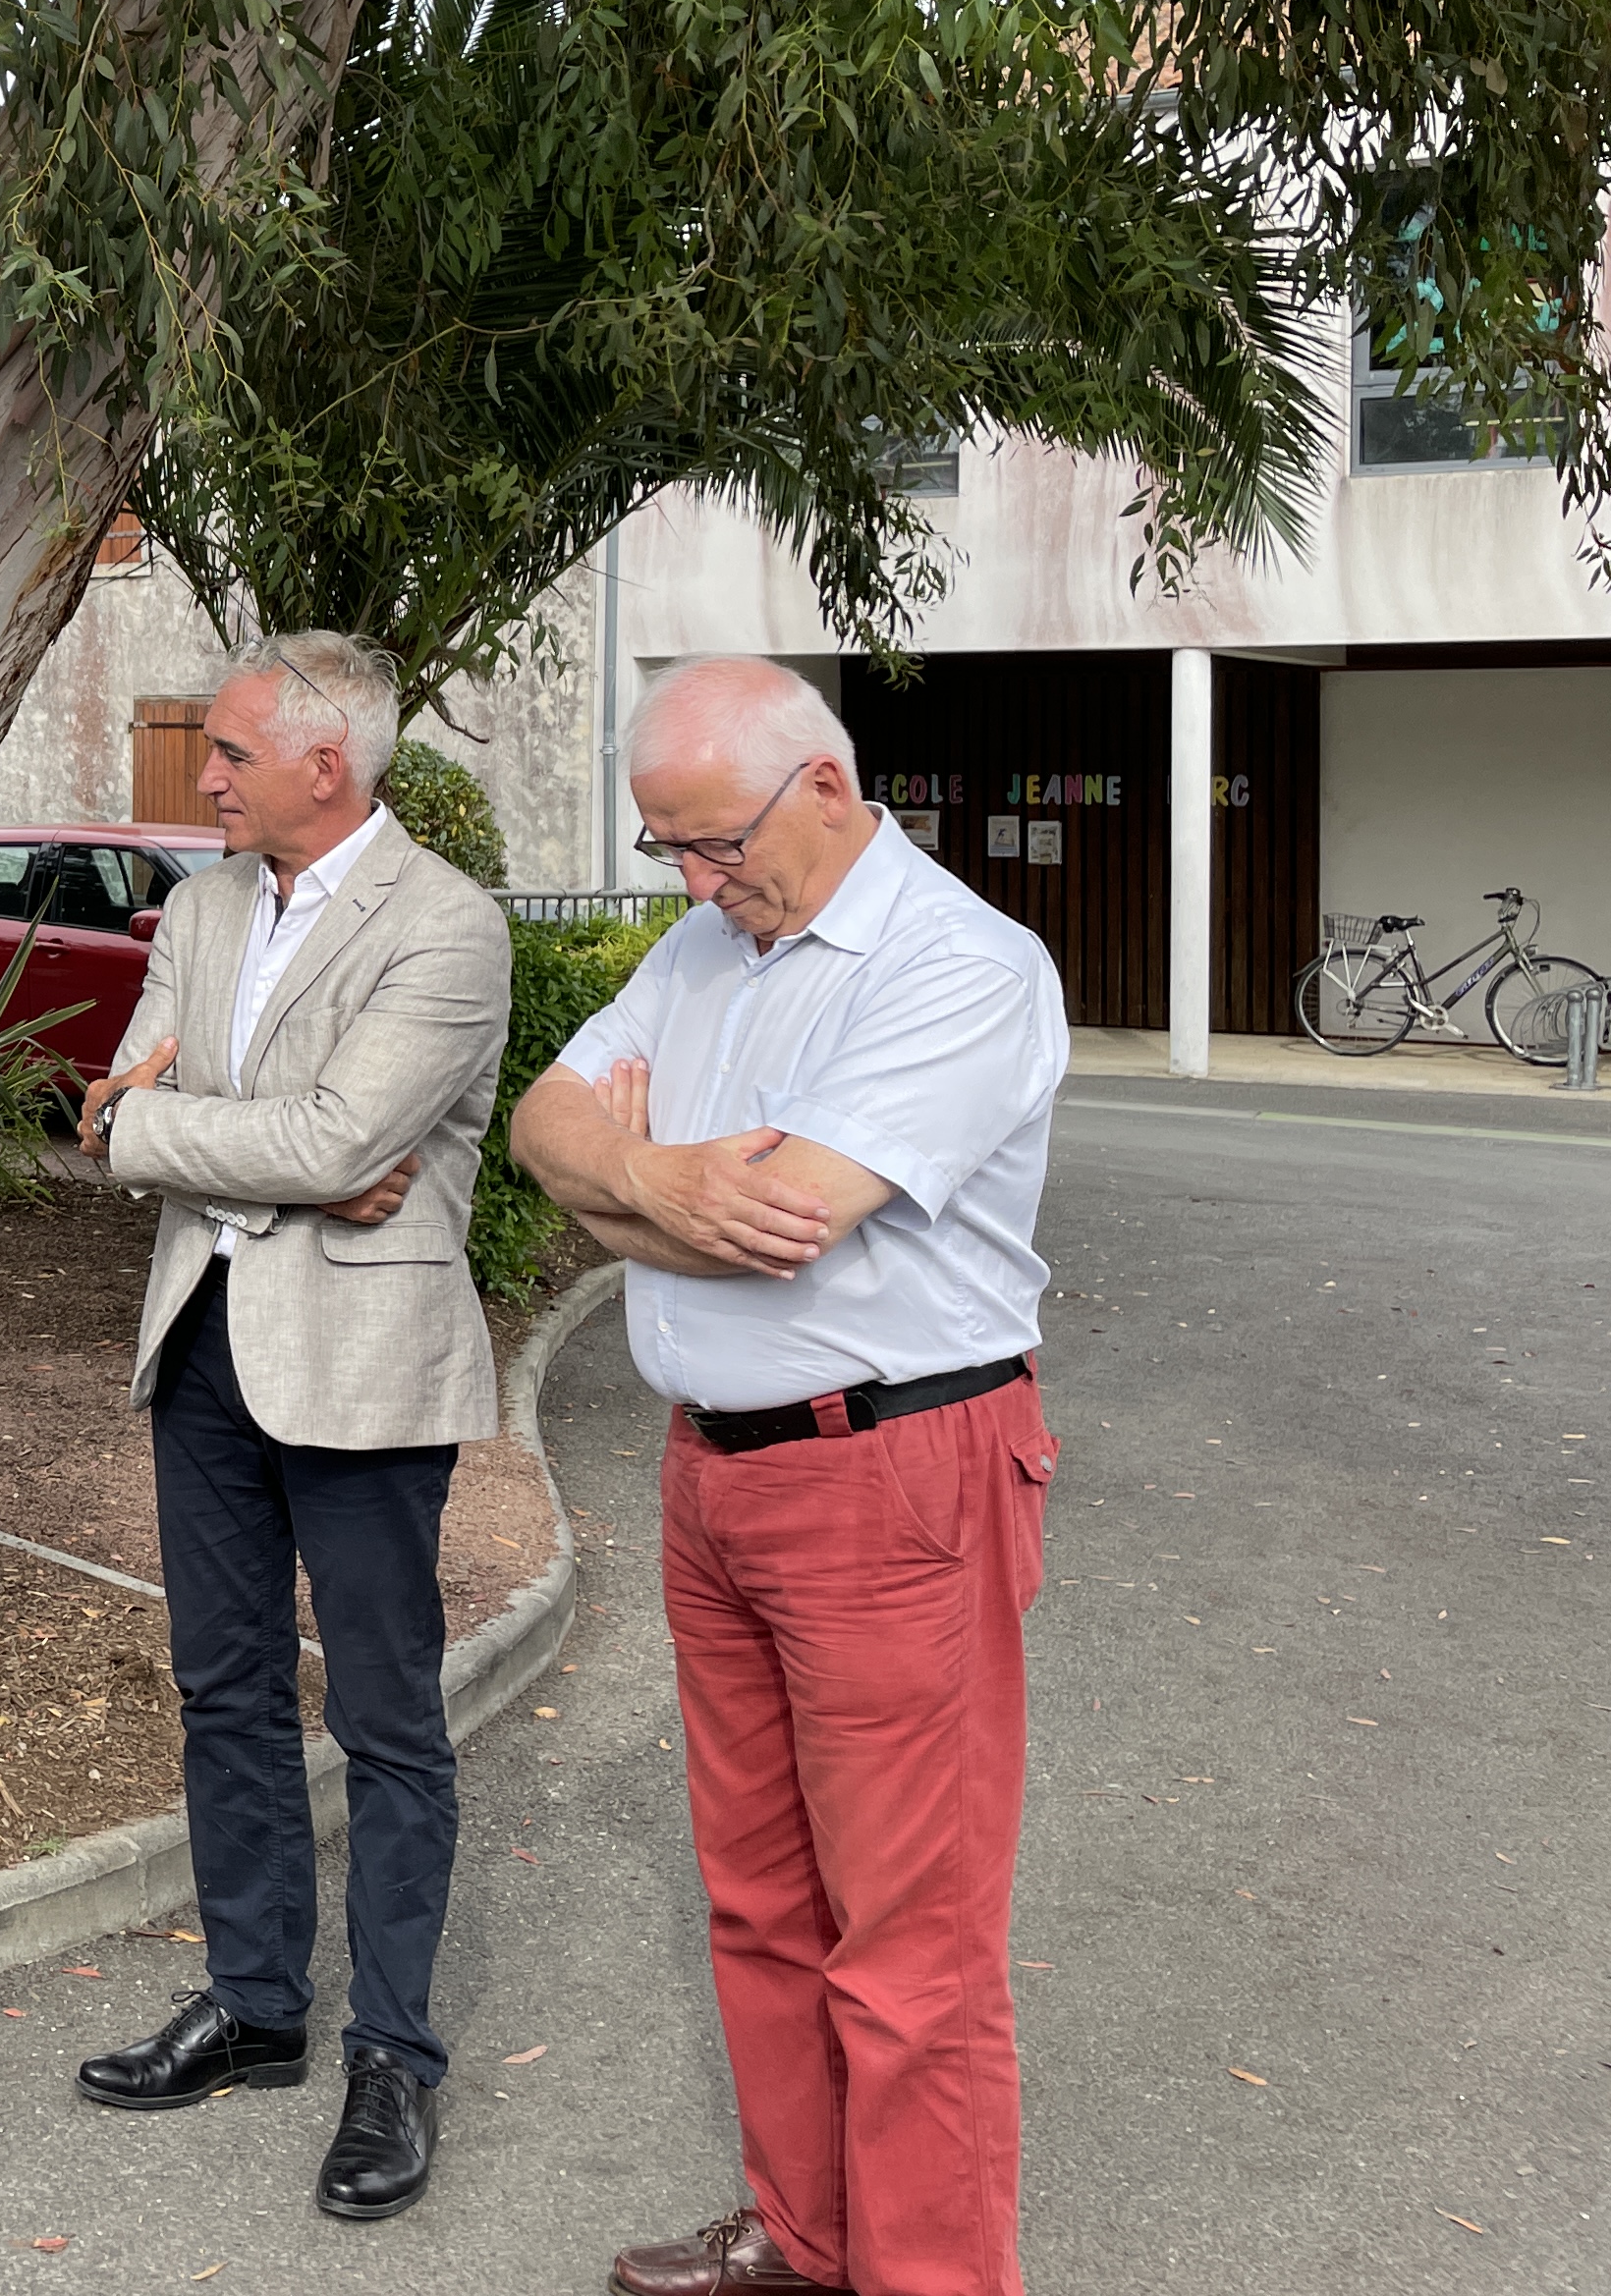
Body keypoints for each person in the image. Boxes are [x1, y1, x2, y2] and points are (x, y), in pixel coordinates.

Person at [506, 655, 1067, 2296]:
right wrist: (641, 1174)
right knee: (757, 1897)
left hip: (892, 1470)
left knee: (910, 1942)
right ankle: (808, 2233)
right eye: (664, 848)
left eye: (714, 841)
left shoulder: (956, 961)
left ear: (825, 785)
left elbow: (784, 1223)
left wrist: (619, 1185)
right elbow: (544, 1132)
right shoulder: (703, 948)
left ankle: (929, 2274)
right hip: (717, 1473)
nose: (691, 880)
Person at [67, 632, 513, 2224]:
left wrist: (201, 1131)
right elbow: (113, 1119)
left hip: (364, 1368)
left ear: (327, 761)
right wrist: (268, 1150)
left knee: (388, 1717)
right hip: (203, 1347)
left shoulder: (445, 928)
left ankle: (391, 2051)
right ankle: (256, 2005)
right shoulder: (197, 906)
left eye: (232, 750)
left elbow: (340, 1131)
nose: (206, 775)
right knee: (225, 1688)